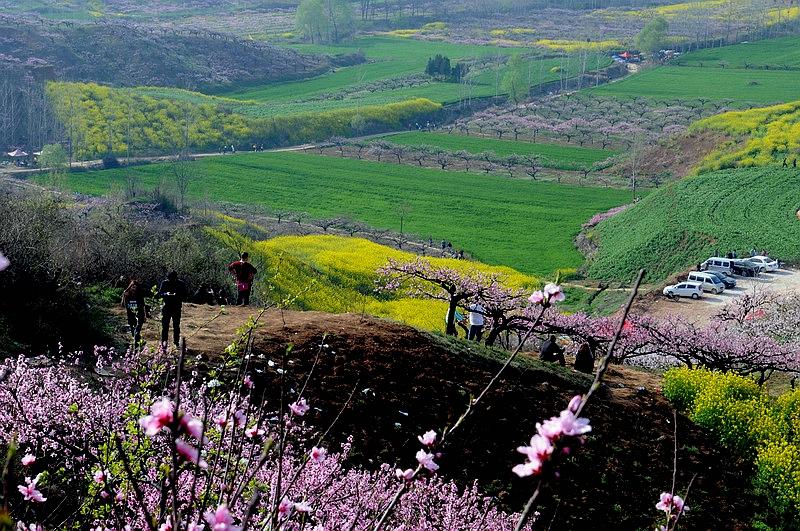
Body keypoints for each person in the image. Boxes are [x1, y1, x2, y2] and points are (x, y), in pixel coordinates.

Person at [158, 271, 187, 348]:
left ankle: (176, 342)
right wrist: (166, 294)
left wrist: (177, 295)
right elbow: (160, 293)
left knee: (176, 326)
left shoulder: (181, 283)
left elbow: (185, 295)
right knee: (165, 326)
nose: (171, 280)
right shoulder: (165, 283)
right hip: (167, 307)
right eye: (169, 279)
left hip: (176, 307)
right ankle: (164, 342)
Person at [122, 279, 146, 346]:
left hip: (139, 314)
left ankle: (137, 343)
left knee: (137, 330)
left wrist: (145, 315)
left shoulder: (140, 295)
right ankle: (139, 342)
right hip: (131, 314)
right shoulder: (127, 295)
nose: (134, 288)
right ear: (130, 287)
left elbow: (143, 305)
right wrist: (124, 296)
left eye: (135, 287)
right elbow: (124, 305)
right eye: (132, 287)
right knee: (133, 330)